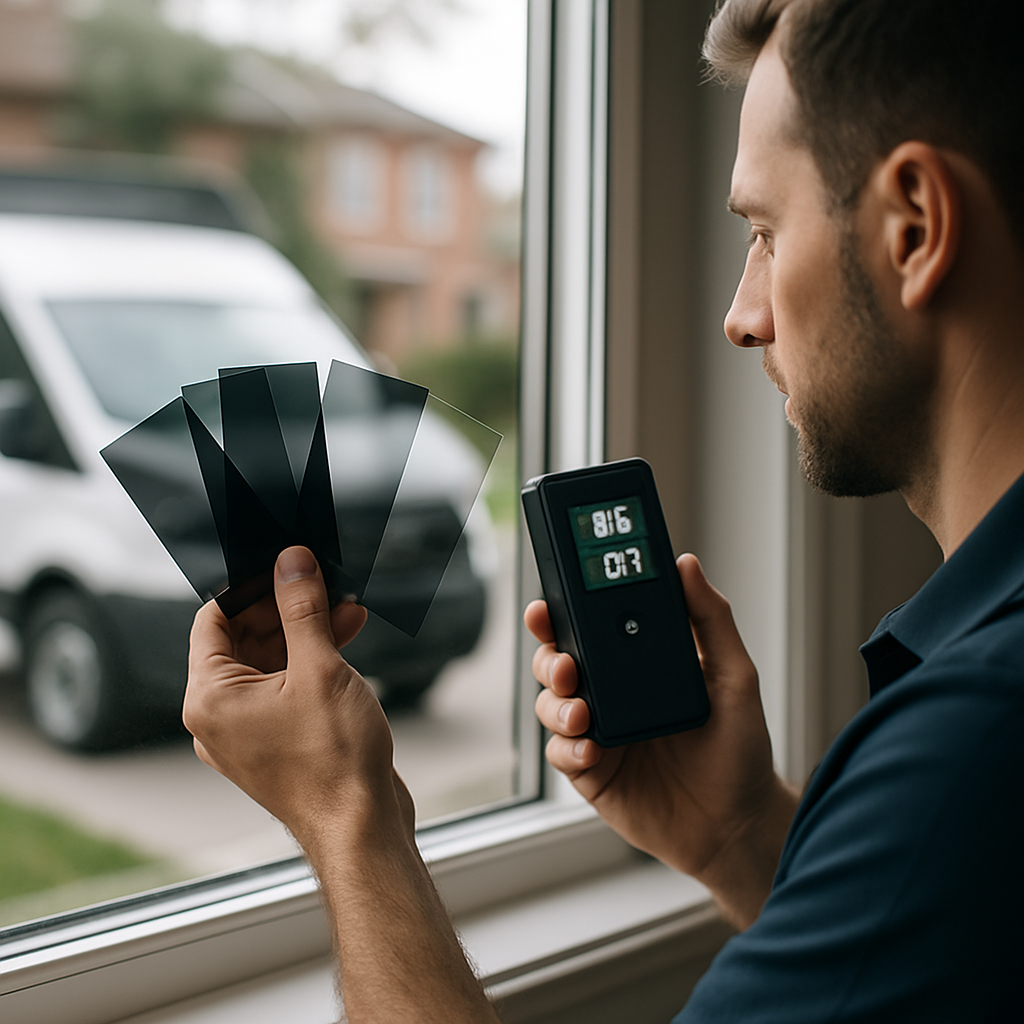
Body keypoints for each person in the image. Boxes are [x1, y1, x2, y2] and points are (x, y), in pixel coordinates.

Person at [183, 0, 1024, 1020]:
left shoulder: (972, 740)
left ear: (916, 226)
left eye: (764, 232)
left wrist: (345, 814)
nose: (740, 315)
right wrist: (743, 836)